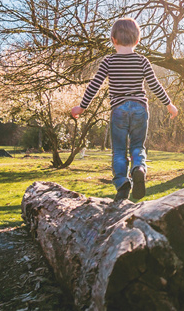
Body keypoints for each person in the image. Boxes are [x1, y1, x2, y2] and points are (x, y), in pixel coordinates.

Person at [71, 18, 178, 201]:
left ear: (113, 39)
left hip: (119, 109)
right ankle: (139, 168)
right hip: (140, 108)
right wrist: (169, 104)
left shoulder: (108, 61)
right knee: (137, 146)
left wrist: (82, 107)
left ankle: (122, 183)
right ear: (137, 40)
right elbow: (154, 84)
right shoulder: (142, 61)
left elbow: (94, 85)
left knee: (119, 150)